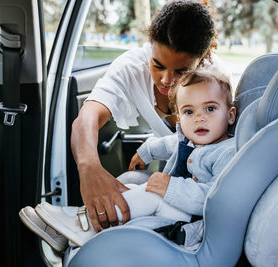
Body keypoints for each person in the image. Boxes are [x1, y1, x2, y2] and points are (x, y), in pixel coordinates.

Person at [19, 69, 236, 250]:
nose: (199, 117)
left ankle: (85, 225)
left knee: (150, 194)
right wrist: (146, 151)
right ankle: (66, 234)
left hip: (193, 224)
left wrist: (171, 187)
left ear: (230, 115)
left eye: (210, 108)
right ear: (179, 118)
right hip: (178, 209)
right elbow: (171, 144)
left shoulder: (226, 153)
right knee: (130, 187)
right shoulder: (193, 140)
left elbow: (213, 199)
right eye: (189, 112)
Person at [70, 0, 227, 233]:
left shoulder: (214, 85)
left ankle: (89, 226)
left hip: (198, 192)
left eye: (181, 71)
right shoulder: (131, 68)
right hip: (173, 171)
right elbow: (87, 117)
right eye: (158, 65)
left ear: (202, 59)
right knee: (131, 181)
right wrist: (89, 167)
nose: (166, 80)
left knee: (150, 198)